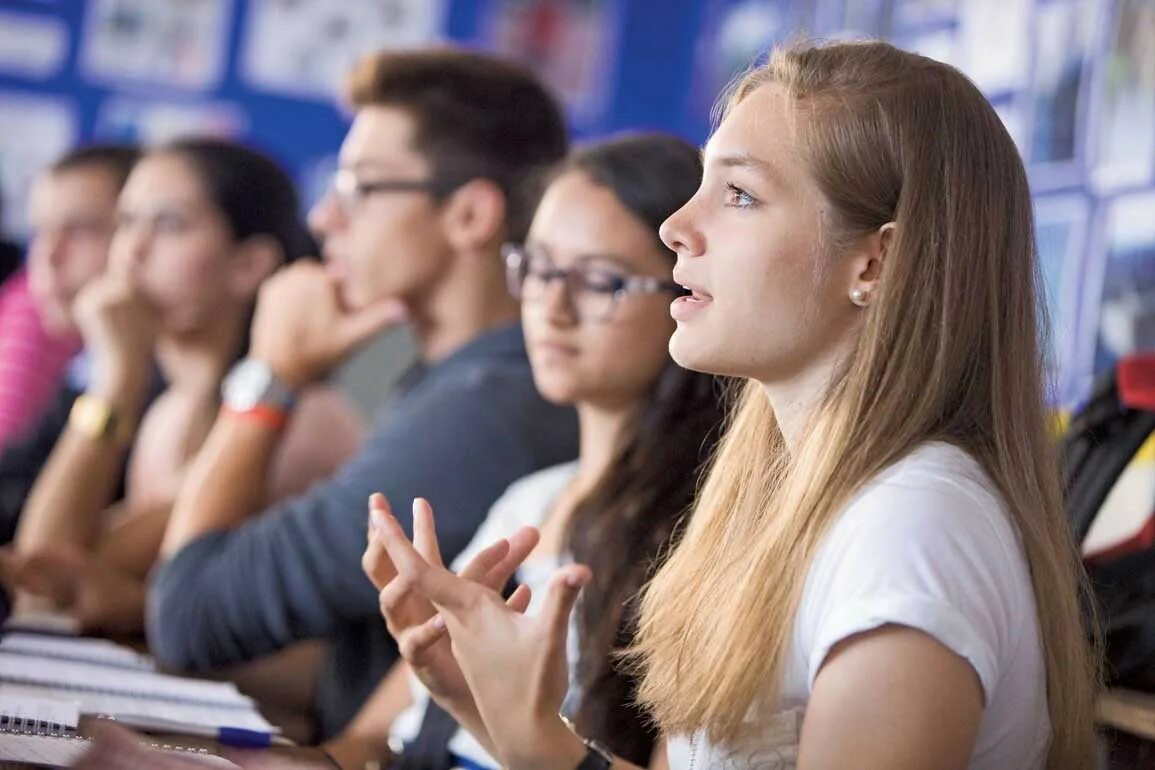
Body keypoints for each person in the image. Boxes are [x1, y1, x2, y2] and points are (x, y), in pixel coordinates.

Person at [367, 39, 1099, 770]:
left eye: (739, 195)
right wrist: (483, 705)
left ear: (874, 264)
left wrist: (542, 748)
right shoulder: (788, 499)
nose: (676, 228)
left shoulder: (912, 529)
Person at [147, 48, 579, 740]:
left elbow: (186, 619)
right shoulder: (458, 379)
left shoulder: (487, 407)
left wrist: (270, 374)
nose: (324, 219)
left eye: (358, 188)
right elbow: (360, 660)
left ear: (468, 214)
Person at [335, 134, 724, 770]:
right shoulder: (533, 498)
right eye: (540, 269)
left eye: (601, 279)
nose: (553, 306)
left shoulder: (703, 535)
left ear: (687, 294)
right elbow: (370, 738)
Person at [11, 138, 363, 635]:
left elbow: (44, 579)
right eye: (126, 221)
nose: (131, 250)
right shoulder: (168, 413)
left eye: (169, 224)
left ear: (248, 265)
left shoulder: (299, 419)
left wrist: (115, 380)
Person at [0, 145, 140, 540]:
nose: (49, 254)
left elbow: (43, 556)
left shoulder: (152, 379)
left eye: (83, 229)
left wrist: (118, 376)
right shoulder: (82, 367)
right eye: (40, 230)